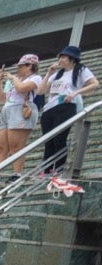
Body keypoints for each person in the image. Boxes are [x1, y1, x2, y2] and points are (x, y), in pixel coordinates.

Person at [39, 46, 97, 175]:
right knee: (48, 141)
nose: (61, 59)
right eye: (60, 57)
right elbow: (41, 91)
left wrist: (76, 93)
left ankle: (58, 169)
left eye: (64, 57)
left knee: (59, 138)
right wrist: (49, 73)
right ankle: (46, 170)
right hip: (50, 109)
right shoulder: (57, 74)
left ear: (72, 59)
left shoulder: (80, 70)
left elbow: (94, 84)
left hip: (66, 106)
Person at [0, 54, 42, 184]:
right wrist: (0, 81)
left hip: (21, 109)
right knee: (1, 147)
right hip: (7, 110)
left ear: (30, 66)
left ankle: (17, 174)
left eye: (21, 66)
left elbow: (22, 88)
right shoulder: (14, 80)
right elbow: (1, 98)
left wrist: (12, 78)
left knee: (16, 146)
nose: (18, 69)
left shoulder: (36, 78)